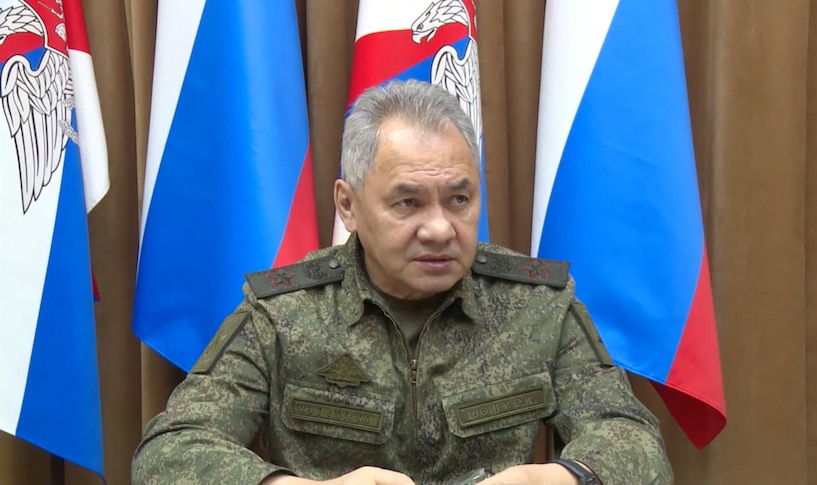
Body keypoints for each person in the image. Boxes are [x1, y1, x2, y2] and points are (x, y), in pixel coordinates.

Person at [131, 79, 673, 485]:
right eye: (407, 202)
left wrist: (558, 478)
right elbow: (169, 452)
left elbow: (637, 444)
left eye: (459, 200)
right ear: (349, 205)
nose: (439, 228)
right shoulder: (285, 313)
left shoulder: (536, 305)